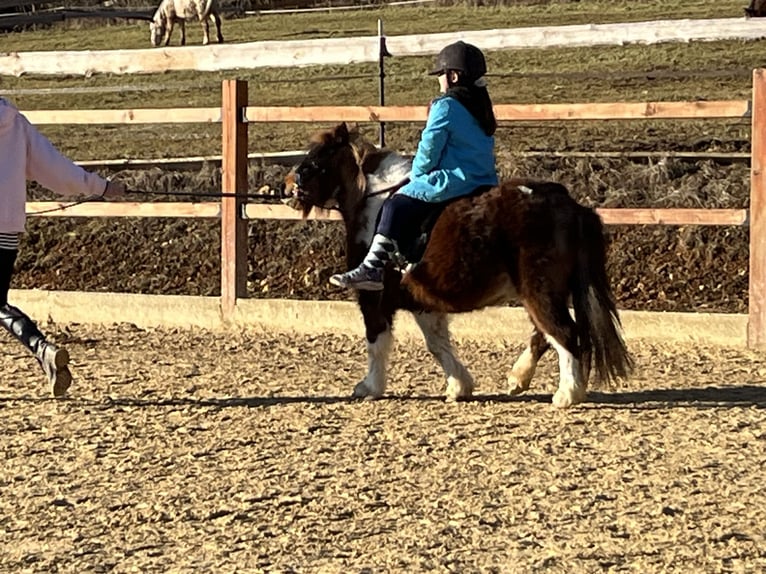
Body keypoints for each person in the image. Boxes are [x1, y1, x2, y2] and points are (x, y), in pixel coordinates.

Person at [329, 40, 499, 291]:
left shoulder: (446, 106)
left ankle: (373, 268)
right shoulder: (481, 108)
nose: (439, 80)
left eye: (441, 75)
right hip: (484, 181)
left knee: (396, 203)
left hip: (454, 182)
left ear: (452, 76)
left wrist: (417, 174)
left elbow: (429, 148)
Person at [0, 96, 126, 397]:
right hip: (6, 228)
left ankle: (42, 349)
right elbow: (57, 170)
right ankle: (42, 350)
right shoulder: (14, 122)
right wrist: (102, 187)